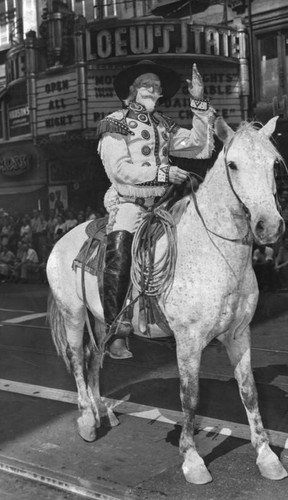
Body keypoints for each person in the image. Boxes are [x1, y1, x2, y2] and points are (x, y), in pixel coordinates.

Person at [97, 60, 215, 359]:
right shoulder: (116, 122)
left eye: (157, 87)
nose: (154, 89)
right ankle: (115, 329)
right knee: (120, 252)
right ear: (133, 90)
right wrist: (164, 172)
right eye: (147, 84)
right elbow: (120, 170)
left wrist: (198, 102)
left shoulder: (163, 124)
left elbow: (200, 146)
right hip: (130, 205)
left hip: (163, 204)